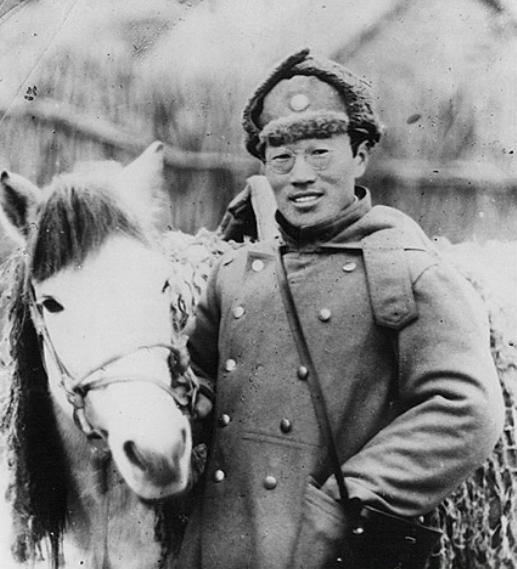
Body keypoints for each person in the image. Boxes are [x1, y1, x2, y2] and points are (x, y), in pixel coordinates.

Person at [177, 48, 504, 569]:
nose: (301, 176)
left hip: (322, 548)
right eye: (282, 159)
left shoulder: (404, 270)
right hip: (218, 543)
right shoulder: (235, 273)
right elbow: (198, 380)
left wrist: (346, 500)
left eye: (320, 153)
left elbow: (464, 408)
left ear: (360, 155)